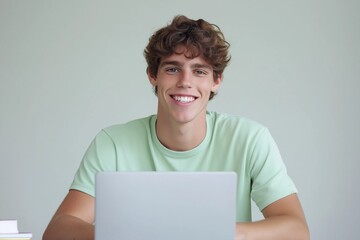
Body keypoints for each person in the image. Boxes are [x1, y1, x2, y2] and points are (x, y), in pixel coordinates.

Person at [43, 15, 309, 240]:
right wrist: (124, 233)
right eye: (172, 69)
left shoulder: (250, 138)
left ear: (216, 81)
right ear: (153, 75)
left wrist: (216, 233)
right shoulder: (112, 142)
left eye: (200, 71)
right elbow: (58, 229)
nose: (185, 81)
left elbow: (297, 230)